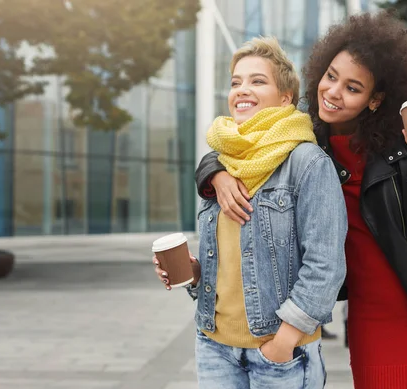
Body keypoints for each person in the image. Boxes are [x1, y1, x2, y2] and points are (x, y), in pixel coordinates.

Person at [195, 11, 407, 389]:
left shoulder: (400, 149)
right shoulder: (302, 137)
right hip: (368, 318)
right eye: (331, 76)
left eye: (352, 87)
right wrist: (214, 171)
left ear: (374, 99)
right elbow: (241, 142)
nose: (332, 92)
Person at [154, 37, 347, 389]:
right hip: (214, 345)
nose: (242, 89)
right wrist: (195, 274)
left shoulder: (307, 162)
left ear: (285, 96)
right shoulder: (223, 160)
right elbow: (231, 257)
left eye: (258, 81)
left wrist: (284, 342)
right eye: (236, 82)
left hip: (279, 353)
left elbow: (326, 264)